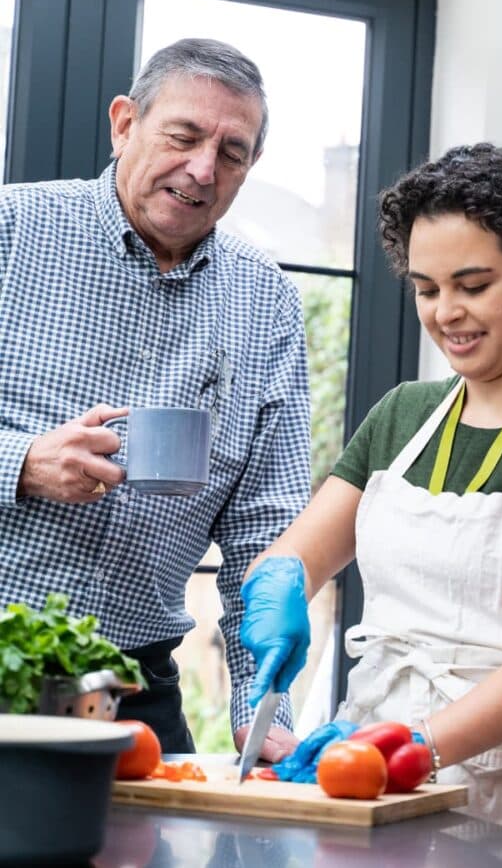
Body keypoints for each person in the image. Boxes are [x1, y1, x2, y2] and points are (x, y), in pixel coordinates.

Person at [239, 143, 502, 851]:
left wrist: (416, 746)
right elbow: (297, 554)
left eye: (473, 284)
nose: (447, 313)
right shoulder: (403, 415)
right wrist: (279, 586)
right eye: (427, 288)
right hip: (370, 775)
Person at [0, 39, 311, 757]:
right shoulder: (12, 231)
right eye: (184, 136)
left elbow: (266, 525)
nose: (203, 168)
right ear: (123, 124)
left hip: (133, 683)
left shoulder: (267, 302)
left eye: (232, 153)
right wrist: (19, 462)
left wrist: (264, 704)